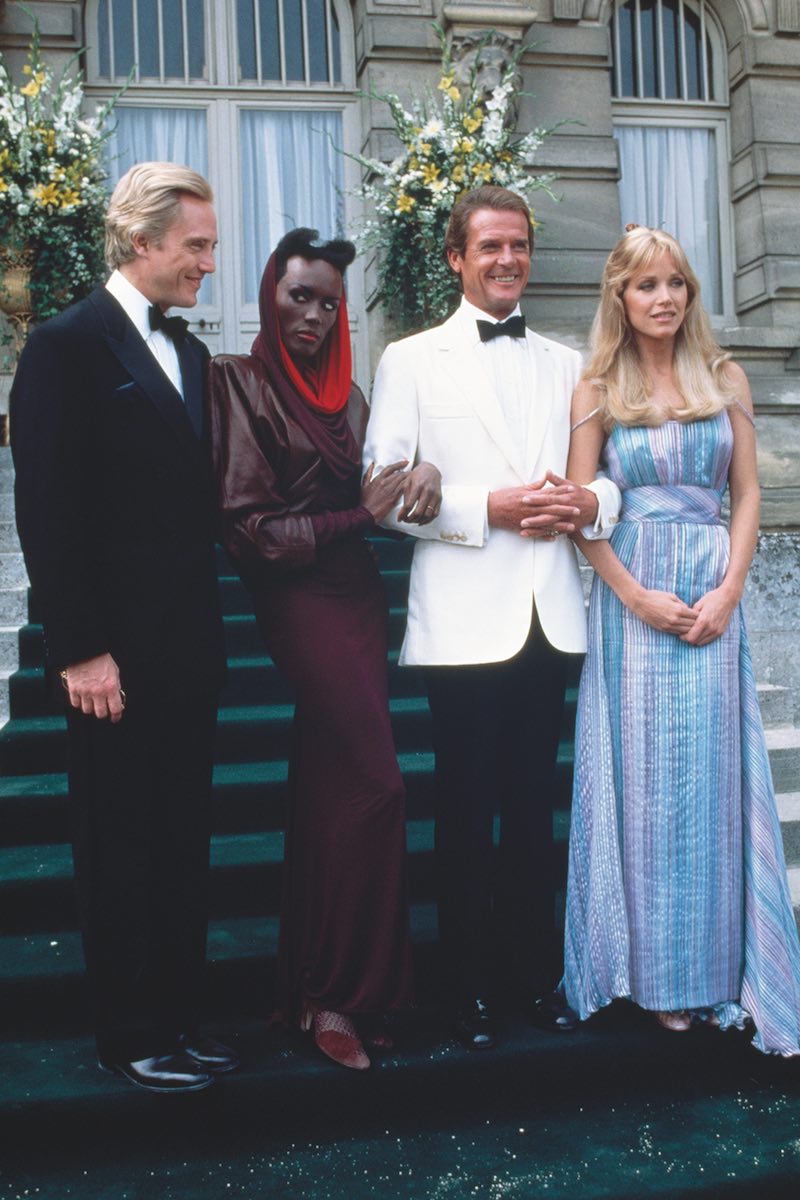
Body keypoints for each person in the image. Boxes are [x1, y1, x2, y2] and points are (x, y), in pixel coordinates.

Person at [363, 186, 621, 1049]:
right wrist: (487, 507)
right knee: (468, 810)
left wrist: (591, 501)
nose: (507, 260)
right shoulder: (409, 359)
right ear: (454, 258)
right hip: (463, 623)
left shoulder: (566, 363)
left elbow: (615, 480)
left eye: (519, 246)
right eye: (489, 248)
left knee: (532, 810)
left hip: (552, 617)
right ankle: (464, 991)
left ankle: (530, 977)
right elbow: (384, 494)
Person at [11, 163, 238, 1091]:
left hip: (190, 648)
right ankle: (128, 1031)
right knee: (121, 844)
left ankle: (181, 1020)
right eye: (197, 246)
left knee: (184, 841)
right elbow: (48, 510)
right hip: (109, 655)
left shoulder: (188, 355)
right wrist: (79, 649)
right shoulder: (65, 346)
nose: (209, 264)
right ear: (142, 242)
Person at [561, 225, 800, 1055]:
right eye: (646, 286)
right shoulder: (596, 386)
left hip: (713, 600)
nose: (663, 298)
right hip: (636, 606)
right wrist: (632, 597)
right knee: (650, 794)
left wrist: (732, 589)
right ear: (619, 298)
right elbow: (580, 512)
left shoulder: (724, 375)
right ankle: (658, 979)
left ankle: (723, 971)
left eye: (676, 284)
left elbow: (746, 495)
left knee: (713, 788)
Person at [209, 229, 416, 1071]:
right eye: (300, 296)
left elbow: (387, 476)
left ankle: (317, 994)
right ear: (270, 295)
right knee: (379, 783)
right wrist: (359, 517)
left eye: (329, 302)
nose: (315, 314)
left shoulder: (352, 400)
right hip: (297, 602)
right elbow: (252, 533)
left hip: (359, 599)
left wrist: (420, 475)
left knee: (332, 785)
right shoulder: (238, 382)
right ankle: (341, 990)